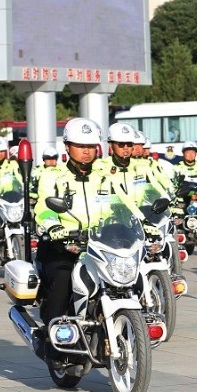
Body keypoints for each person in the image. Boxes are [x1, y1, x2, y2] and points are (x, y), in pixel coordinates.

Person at [33, 118, 135, 360]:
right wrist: (53, 226)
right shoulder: (53, 176)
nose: (87, 151)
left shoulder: (103, 176)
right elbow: (43, 206)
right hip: (62, 245)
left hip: (99, 245)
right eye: (80, 145)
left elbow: (124, 203)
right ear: (67, 147)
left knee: (129, 278)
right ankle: (52, 338)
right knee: (63, 281)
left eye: (91, 146)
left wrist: (144, 222)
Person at [103, 123, 173, 198]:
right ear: (111, 145)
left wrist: (168, 198)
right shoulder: (101, 167)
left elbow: (157, 185)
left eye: (129, 144)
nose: (126, 148)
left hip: (142, 209)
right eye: (121, 144)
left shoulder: (143, 166)